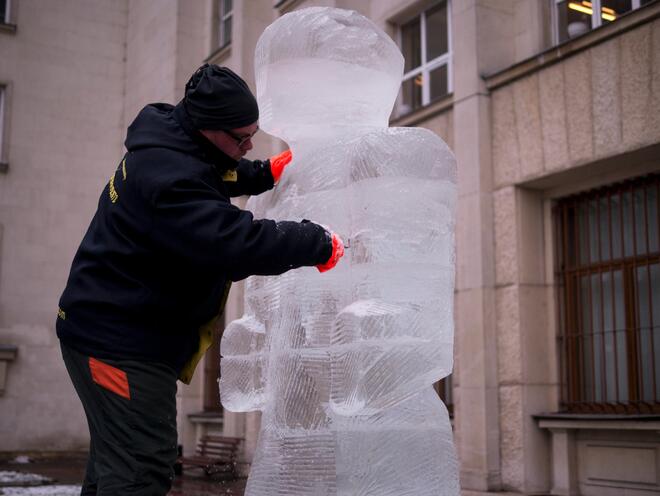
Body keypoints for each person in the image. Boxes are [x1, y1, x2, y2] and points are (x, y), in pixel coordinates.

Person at [56, 64, 344, 495]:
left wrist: (264, 172)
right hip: (116, 346)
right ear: (207, 127)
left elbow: (216, 172)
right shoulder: (167, 180)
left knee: (115, 465)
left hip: (111, 331)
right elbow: (234, 242)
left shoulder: (173, 142)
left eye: (253, 135)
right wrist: (317, 241)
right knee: (141, 468)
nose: (248, 146)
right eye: (241, 138)